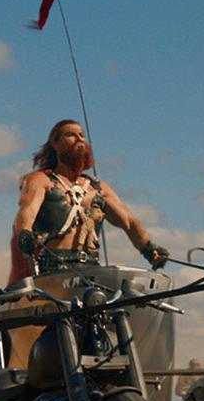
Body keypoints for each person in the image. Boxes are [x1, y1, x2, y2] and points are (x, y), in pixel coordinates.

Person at [10, 119, 169, 282]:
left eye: (81, 135)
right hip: (53, 268)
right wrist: (25, 234)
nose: (79, 138)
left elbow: (128, 221)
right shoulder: (41, 180)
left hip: (92, 269)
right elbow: (27, 211)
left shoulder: (98, 188)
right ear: (55, 144)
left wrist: (149, 250)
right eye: (71, 134)